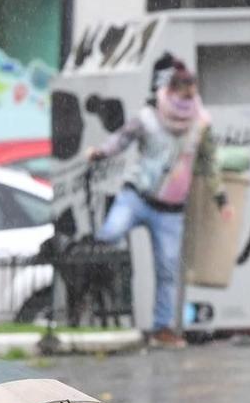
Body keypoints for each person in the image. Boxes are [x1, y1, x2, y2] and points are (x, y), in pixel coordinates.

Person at [88, 53, 218, 348]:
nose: (186, 99)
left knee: (168, 269)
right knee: (109, 235)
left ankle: (162, 327)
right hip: (138, 195)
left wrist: (220, 198)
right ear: (170, 91)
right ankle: (94, 291)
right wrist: (101, 152)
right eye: (182, 91)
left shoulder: (199, 124)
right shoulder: (149, 117)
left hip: (171, 209)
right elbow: (123, 138)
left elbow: (209, 161)